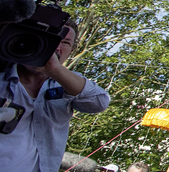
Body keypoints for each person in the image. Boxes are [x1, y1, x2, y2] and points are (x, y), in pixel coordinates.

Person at [0, 21, 111, 172]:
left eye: (65, 42)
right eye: (50, 39)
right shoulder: (3, 76)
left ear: (72, 50)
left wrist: (55, 70)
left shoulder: (67, 82)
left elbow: (100, 102)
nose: (55, 47)